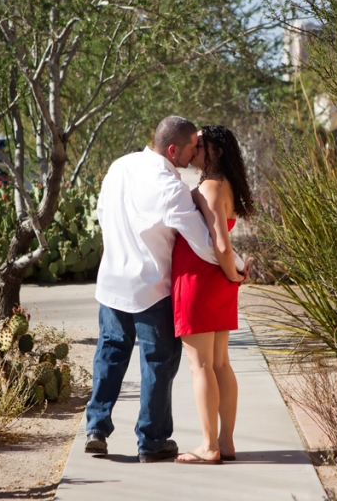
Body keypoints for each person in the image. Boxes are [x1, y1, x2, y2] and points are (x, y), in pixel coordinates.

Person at [84, 116, 246, 463]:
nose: (192, 155)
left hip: (113, 280)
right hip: (152, 287)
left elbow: (101, 211)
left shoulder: (120, 165)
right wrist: (237, 268)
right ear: (173, 149)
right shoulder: (171, 187)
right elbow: (204, 243)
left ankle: (96, 428)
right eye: (191, 148)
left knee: (110, 356)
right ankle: (152, 441)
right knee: (158, 362)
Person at [171, 125, 255, 465]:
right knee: (219, 363)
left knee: (201, 366)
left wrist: (231, 270)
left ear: (215, 152)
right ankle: (226, 442)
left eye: (199, 145)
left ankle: (208, 447)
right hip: (218, 282)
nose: (193, 150)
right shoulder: (227, 186)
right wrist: (232, 274)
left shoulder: (208, 187)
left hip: (201, 280)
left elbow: (220, 242)